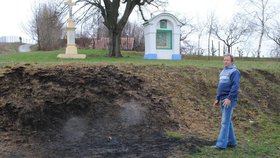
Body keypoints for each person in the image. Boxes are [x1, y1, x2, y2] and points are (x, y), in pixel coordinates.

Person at [212, 54, 241, 149]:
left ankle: (221, 145)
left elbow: (235, 86)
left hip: (229, 99)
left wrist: (229, 98)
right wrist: (217, 98)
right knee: (228, 121)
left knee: (224, 122)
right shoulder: (223, 72)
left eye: (227, 60)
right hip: (222, 98)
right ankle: (232, 142)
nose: (225, 61)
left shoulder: (234, 72)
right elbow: (221, 87)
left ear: (232, 61)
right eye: (224, 60)